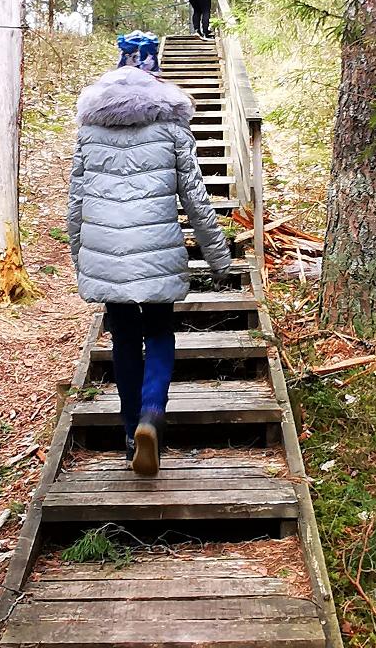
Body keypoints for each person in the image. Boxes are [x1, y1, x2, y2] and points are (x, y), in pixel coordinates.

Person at [66, 66, 234, 475]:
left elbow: (75, 206)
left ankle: (129, 436)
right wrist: (218, 258)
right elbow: (196, 200)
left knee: (124, 339)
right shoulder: (173, 132)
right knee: (159, 331)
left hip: (106, 252)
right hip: (158, 252)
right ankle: (152, 414)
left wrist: (80, 259)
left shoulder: (89, 135)